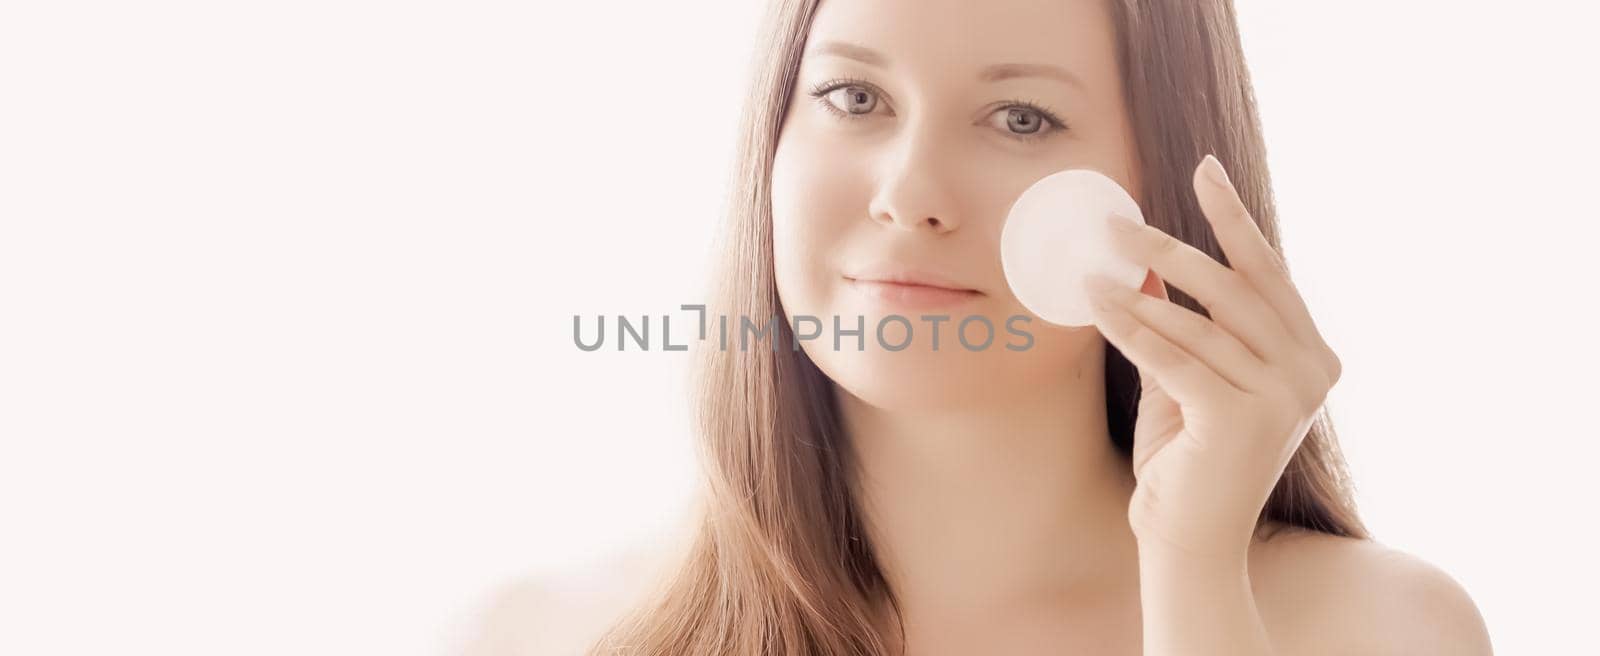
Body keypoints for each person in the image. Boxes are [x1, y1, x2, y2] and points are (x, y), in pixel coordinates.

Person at [471, 0, 1493, 653]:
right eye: (852, 95)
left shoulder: (1378, 629)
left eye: (1019, 119)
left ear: (1162, 187)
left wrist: (1193, 578)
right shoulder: (540, 633)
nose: (910, 192)